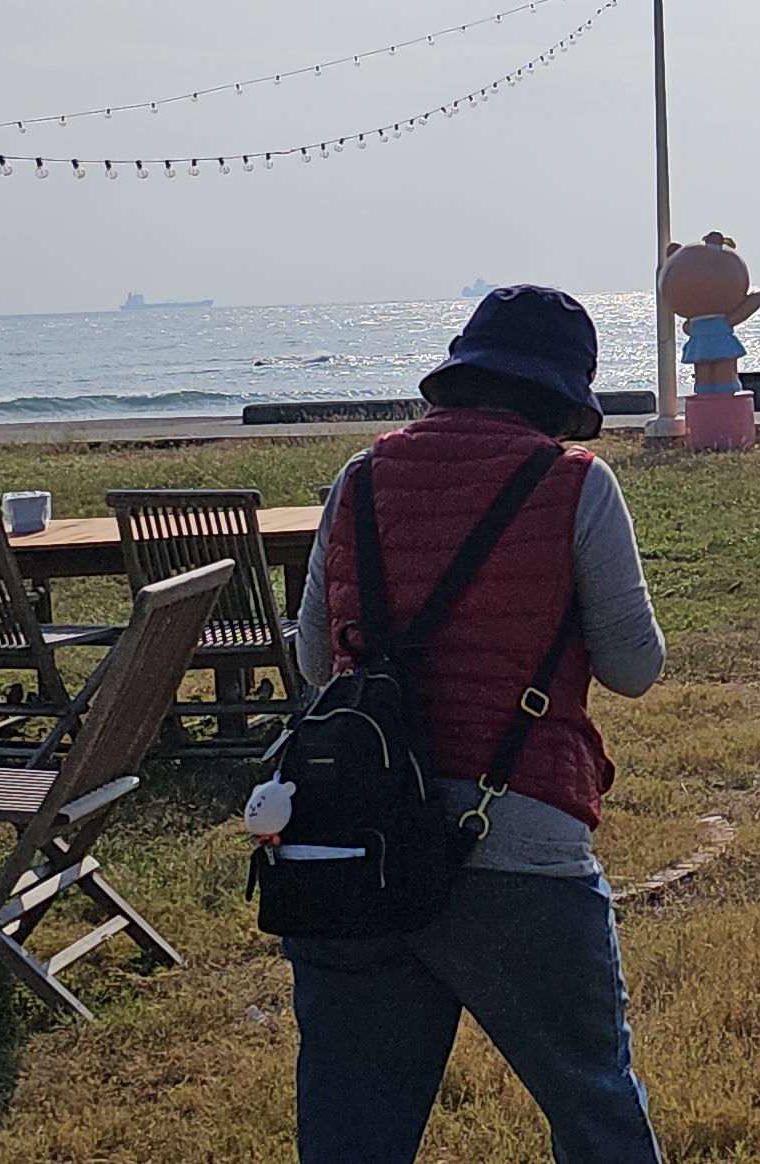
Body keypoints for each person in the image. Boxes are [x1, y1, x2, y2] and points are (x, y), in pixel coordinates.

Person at [282, 285, 666, 1164]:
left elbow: (314, 663)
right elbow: (634, 669)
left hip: (350, 843)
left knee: (351, 1139)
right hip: (514, 836)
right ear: (564, 396)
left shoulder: (359, 478)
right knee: (593, 1107)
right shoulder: (575, 483)